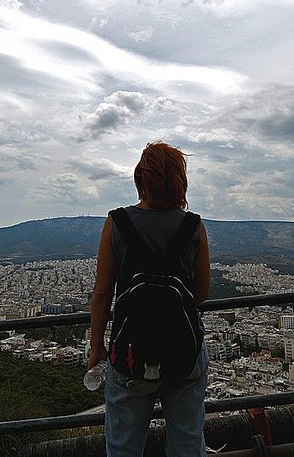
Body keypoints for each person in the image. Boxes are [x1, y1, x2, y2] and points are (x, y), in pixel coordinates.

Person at [88, 141, 211, 457]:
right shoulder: (194, 226)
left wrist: (97, 346)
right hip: (184, 350)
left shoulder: (117, 222)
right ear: (178, 181)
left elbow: (102, 293)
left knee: (123, 446)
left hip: (130, 350)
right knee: (186, 443)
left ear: (139, 178)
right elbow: (200, 294)